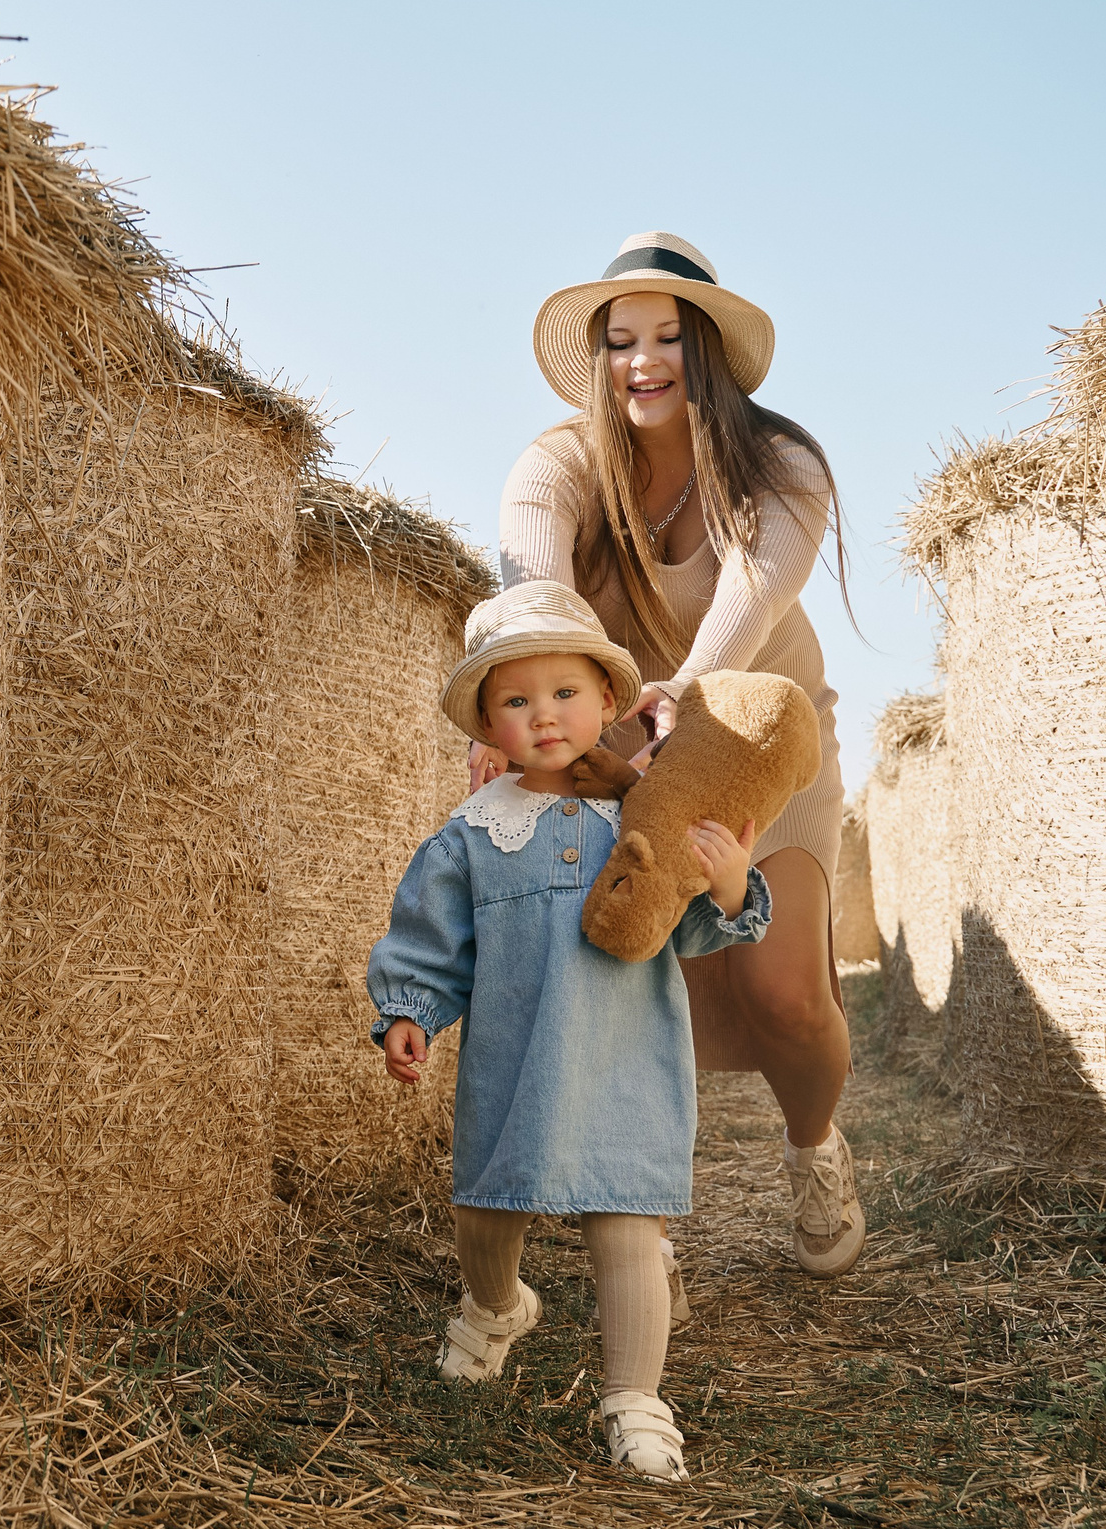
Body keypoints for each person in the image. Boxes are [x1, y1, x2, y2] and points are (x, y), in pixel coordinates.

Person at [478, 231, 863, 1278]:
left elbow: (742, 613)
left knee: (782, 989)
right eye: (620, 339)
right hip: (618, 744)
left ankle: (811, 1144)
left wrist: (676, 696)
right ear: (598, 358)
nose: (642, 360)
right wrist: (533, 721)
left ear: (707, 352)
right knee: (662, 997)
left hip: (754, 737)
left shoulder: (779, 466)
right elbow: (533, 590)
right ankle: (644, 1239)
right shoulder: (554, 466)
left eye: (667, 337)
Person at [367, 580, 772, 1484]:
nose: (542, 716)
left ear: (608, 703)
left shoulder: (648, 817)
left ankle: (634, 1395)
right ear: (486, 725)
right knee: (484, 1210)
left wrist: (730, 882)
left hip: (627, 1059)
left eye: (562, 693)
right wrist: (410, 1009)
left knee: (627, 1226)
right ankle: (493, 1306)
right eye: (515, 700)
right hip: (515, 1060)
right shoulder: (473, 831)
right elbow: (431, 934)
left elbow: (697, 928)